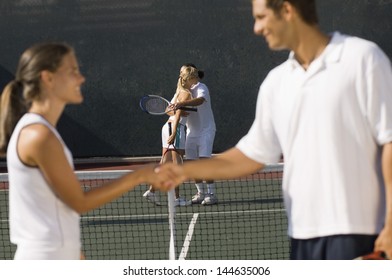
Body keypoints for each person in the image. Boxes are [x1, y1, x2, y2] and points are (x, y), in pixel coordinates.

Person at [156, 0, 392, 260]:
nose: (257, 28)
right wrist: (177, 171)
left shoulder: (363, 59)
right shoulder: (276, 82)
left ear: (287, 10)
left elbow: (389, 144)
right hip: (302, 234)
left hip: (361, 231)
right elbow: (250, 156)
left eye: (261, 17)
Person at [0, 42, 173, 260]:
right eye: (72, 71)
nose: (81, 78)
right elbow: (78, 203)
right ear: (48, 78)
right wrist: (140, 175)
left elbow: (59, 212)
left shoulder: (41, 132)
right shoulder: (39, 136)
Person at [143, 67, 196, 207]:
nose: (196, 80)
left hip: (167, 127)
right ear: (189, 79)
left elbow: (167, 110)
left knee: (165, 163)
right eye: (195, 78)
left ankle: (152, 191)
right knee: (177, 165)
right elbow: (177, 113)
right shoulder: (186, 94)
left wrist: (176, 113)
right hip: (175, 129)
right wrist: (174, 133)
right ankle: (176, 198)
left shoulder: (178, 92)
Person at [171, 64, 217, 205]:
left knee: (204, 162)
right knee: (191, 164)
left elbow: (200, 100)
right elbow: (169, 109)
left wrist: (182, 104)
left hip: (206, 130)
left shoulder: (201, 87)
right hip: (191, 132)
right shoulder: (181, 91)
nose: (194, 78)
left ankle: (211, 194)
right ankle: (201, 193)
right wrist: (175, 110)